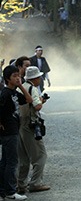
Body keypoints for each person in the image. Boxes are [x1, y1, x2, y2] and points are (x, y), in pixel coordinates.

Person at [0, 65, 32, 200]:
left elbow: (29, 100)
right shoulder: (5, 93)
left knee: (5, 162)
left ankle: (3, 190)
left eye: (18, 75)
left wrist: (21, 86)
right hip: (8, 131)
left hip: (13, 129)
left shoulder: (14, 92)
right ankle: (10, 192)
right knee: (12, 161)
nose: (18, 78)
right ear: (7, 79)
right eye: (14, 76)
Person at [17, 66, 50, 194]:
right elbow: (37, 106)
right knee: (40, 155)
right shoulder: (33, 89)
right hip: (30, 124)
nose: (40, 79)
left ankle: (20, 184)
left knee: (23, 158)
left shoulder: (22, 87)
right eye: (39, 77)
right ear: (35, 78)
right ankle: (35, 183)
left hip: (19, 123)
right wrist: (42, 101)